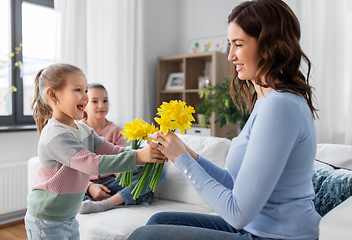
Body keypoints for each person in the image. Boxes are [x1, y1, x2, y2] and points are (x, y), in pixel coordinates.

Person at [128, 0, 320, 239]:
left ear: (270, 45)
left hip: (277, 236)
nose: (230, 56)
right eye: (230, 45)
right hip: (256, 227)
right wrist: (189, 154)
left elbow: (237, 213)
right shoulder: (267, 102)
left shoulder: (280, 107)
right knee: (159, 220)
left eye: (238, 45)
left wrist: (182, 159)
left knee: (146, 236)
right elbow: (234, 184)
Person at [24, 63, 166, 240]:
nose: (85, 96)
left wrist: (146, 152)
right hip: (46, 220)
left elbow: (113, 150)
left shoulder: (84, 130)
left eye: (85, 90)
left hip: (68, 217)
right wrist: (138, 156)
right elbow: (92, 164)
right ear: (53, 95)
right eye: (78, 90)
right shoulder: (55, 133)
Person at [79, 83, 166, 214]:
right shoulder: (77, 131)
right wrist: (89, 187)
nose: (101, 105)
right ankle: (127, 198)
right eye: (95, 101)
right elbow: (73, 168)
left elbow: (120, 161)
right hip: (84, 183)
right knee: (68, 185)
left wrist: (129, 170)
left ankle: (108, 203)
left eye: (105, 100)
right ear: (84, 105)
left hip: (112, 182)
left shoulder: (117, 131)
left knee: (157, 172)